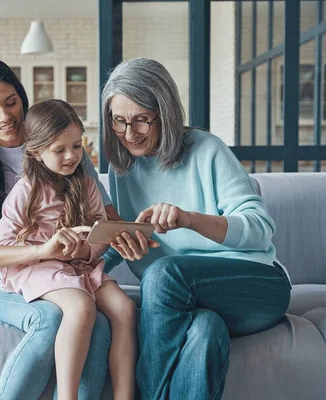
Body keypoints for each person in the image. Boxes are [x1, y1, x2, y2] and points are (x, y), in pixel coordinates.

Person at [100, 58, 292, 400]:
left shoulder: (207, 150)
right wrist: (83, 262)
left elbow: (260, 229)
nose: (129, 134)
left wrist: (189, 219)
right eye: (119, 121)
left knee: (162, 274)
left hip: (256, 285)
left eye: (142, 120)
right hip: (182, 301)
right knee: (206, 331)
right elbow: (127, 237)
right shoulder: (122, 169)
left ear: (166, 111)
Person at [0, 57, 116, 399]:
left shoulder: (65, 147)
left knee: (99, 324)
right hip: (7, 285)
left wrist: (119, 236)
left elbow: (104, 216)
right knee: (50, 318)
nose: (6, 117)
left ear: (22, 98)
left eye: (11, 103)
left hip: (68, 275)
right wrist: (41, 251)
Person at [0, 99, 137, 400]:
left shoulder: (87, 185)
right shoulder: (25, 191)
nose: (71, 156)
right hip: (40, 269)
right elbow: (6, 245)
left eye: (76, 146)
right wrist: (50, 249)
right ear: (36, 152)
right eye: (59, 150)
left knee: (125, 309)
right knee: (80, 306)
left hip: (82, 267)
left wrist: (86, 249)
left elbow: (100, 238)